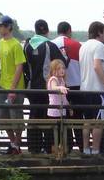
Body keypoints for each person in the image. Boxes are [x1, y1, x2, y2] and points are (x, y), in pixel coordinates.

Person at [23, 19, 66, 153]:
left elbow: (24, 66)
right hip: (46, 88)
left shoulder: (27, 45)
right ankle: (48, 148)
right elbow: (63, 63)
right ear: (47, 31)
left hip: (31, 87)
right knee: (47, 118)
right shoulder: (49, 45)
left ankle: (33, 147)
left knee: (33, 116)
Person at [0, 15, 26, 154]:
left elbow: (20, 67)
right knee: (2, 117)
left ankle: (17, 145)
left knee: (16, 117)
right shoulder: (0, 42)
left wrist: (13, 88)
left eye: (1, 26)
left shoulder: (16, 44)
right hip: (2, 85)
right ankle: (13, 143)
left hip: (15, 87)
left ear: (8, 27)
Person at [79, 21, 104, 155]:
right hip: (97, 90)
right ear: (99, 32)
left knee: (87, 121)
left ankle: (86, 150)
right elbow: (97, 66)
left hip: (84, 89)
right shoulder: (99, 46)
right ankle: (96, 150)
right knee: (98, 122)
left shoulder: (83, 46)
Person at [53, 21, 84, 152]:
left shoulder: (51, 44)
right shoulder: (77, 45)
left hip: (59, 86)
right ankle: (82, 147)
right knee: (77, 118)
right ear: (69, 30)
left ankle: (67, 146)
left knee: (62, 118)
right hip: (76, 86)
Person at [46, 59, 69, 154]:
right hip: (54, 112)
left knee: (61, 132)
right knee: (53, 133)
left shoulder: (62, 80)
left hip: (62, 110)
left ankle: (60, 150)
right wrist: (60, 88)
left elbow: (64, 98)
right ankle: (53, 151)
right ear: (53, 70)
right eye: (59, 68)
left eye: (63, 68)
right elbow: (54, 87)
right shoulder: (53, 79)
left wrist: (69, 106)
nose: (62, 70)